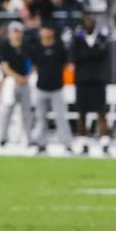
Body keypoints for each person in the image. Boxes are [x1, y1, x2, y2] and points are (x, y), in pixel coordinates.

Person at [71, 15, 111, 155]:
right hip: (82, 81)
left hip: (98, 81)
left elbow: (103, 54)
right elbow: (76, 57)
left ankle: (105, 143)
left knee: (101, 112)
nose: (89, 23)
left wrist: (87, 53)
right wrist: (93, 52)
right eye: (87, 20)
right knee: (82, 113)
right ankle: (83, 143)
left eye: (92, 20)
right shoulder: (77, 38)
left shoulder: (101, 38)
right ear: (83, 23)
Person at [29, 26, 73, 154]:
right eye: (44, 29)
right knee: (41, 117)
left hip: (57, 88)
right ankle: (41, 145)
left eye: (48, 29)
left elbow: (65, 64)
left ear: (52, 31)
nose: (46, 32)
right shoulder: (37, 48)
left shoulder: (59, 47)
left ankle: (67, 144)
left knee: (61, 117)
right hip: (41, 87)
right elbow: (35, 66)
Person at [0, 22, 33, 146]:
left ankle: (28, 138)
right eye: (14, 31)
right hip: (10, 81)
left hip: (25, 81)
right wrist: (17, 77)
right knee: (7, 110)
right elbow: (4, 66)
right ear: (10, 32)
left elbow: (31, 64)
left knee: (26, 112)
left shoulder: (26, 46)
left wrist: (26, 77)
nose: (17, 34)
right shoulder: (4, 45)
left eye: (19, 31)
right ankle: (3, 138)